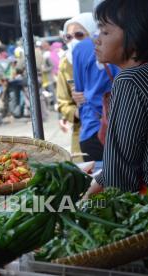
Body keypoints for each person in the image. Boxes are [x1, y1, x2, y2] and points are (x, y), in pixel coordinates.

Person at [85, 0, 148, 196]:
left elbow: (120, 171)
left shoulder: (129, 80)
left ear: (134, 34)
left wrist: (85, 204)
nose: (97, 40)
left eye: (105, 32)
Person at [72, 12, 119, 162]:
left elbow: (79, 90)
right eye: (67, 37)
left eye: (79, 34)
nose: (97, 41)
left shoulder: (80, 49)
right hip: (117, 127)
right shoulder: (126, 47)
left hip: (93, 126)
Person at [56, 13, 97, 162]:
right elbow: (63, 103)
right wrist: (78, 112)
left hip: (113, 128)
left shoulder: (106, 60)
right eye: (68, 37)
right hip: (83, 132)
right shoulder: (65, 64)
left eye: (79, 35)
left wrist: (92, 96)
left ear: (93, 33)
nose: (73, 41)